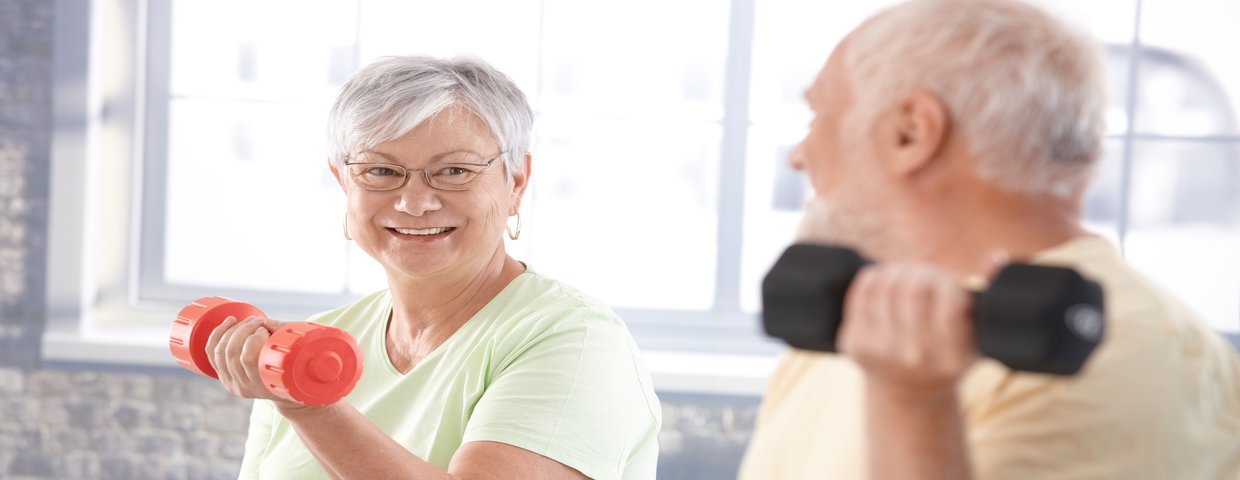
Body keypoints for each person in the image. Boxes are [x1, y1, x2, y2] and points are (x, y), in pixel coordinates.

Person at [738, 0, 1240, 478]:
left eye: (818, 116)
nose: (798, 157)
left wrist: (911, 404)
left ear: (910, 134)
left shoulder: (1126, 352)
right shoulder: (862, 321)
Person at [204, 55, 661, 479]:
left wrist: (312, 408)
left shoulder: (575, 339)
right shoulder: (312, 344)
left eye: (454, 171)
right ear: (343, 182)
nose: (414, 202)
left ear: (516, 181)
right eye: (380, 171)